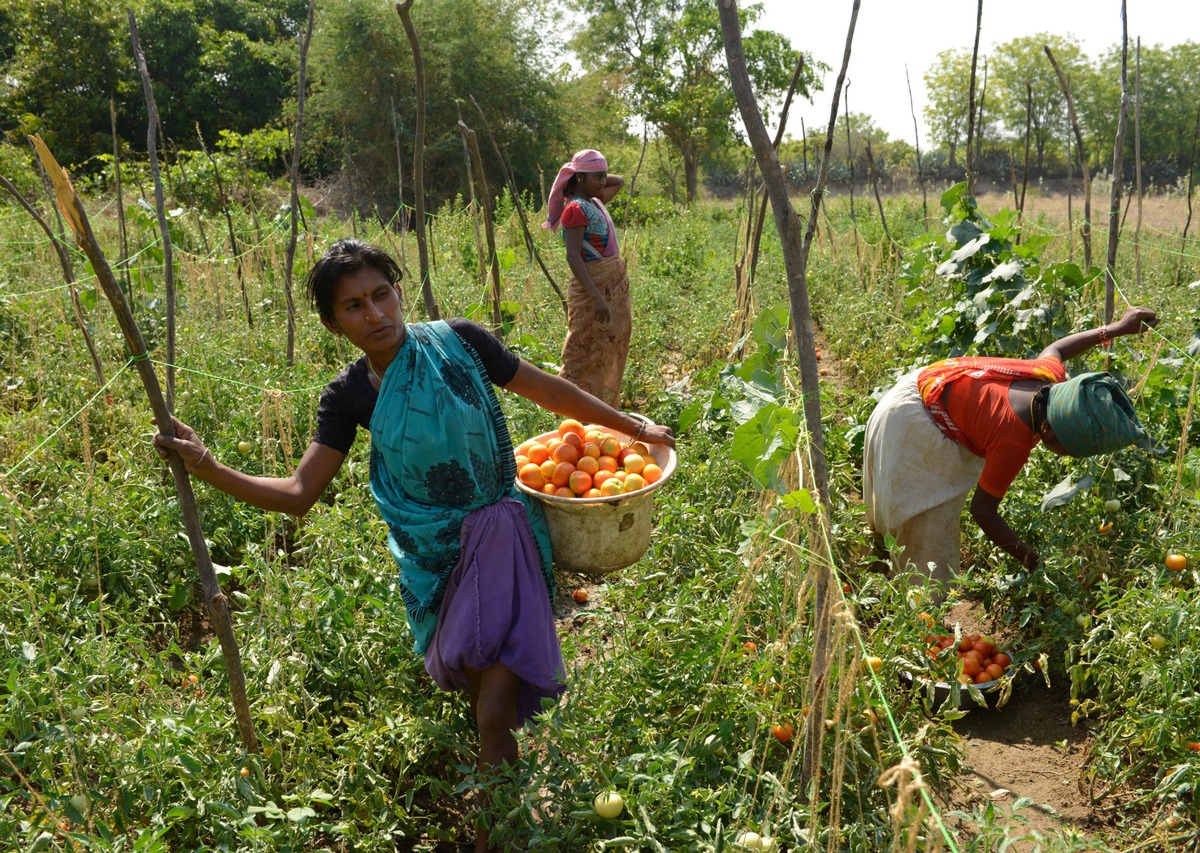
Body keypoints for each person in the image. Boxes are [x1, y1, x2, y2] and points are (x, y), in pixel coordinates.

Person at [153, 238, 674, 853]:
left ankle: (492, 832)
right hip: (435, 553)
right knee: (484, 692)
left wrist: (631, 425)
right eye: (353, 306)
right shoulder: (349, 395)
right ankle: (507, 794)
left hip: (504, 534)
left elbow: (550, 393)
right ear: (331, 322)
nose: (374, 313)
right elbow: (298, 492)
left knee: (495, 701)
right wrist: (208, 465)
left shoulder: (459, 342)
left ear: (398, 292)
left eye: (381, 294)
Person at [862, 306, 1158, 602]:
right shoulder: (1012, 440)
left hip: (927, 384)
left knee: (897, 512)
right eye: (1068, 451)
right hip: (914, 420)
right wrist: (1031, 559)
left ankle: (881, 566)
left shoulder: (1049, 380)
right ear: (1047, 429)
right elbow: (983, 510)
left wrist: (1118, 328)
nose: (1066, 457)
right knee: (926, 535)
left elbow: (1057, 347)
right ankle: (920, 619)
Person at [543, 148, 632, 410]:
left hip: (609, 284)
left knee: (606, 342)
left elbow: (619, 181)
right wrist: (596, 297)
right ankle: (572, 404)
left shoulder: (594, 201)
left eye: (603, 176)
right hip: (594, 288)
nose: (604, 182)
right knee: (582, 350)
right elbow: (573, 256)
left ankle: (600, 405)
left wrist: (593, 171)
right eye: (597, 178)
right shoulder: (575, 209)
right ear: (579, 179)